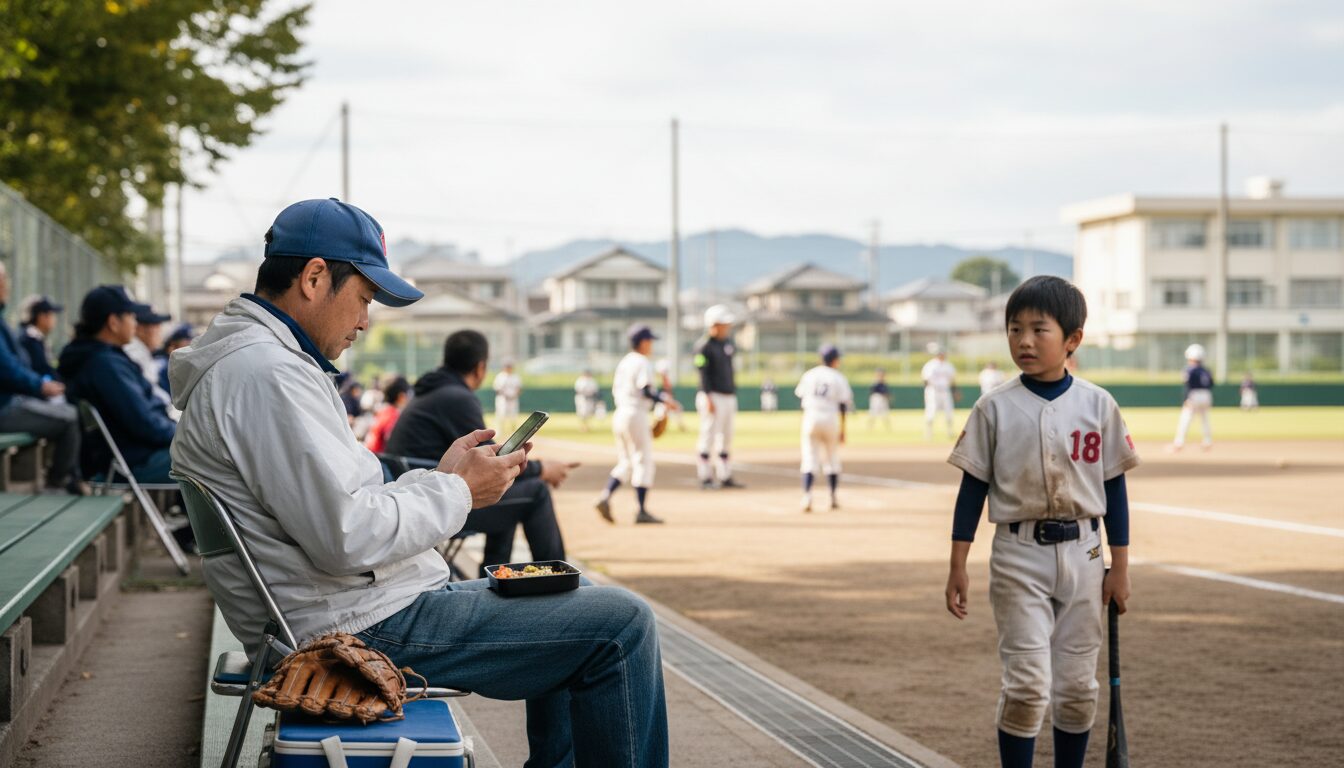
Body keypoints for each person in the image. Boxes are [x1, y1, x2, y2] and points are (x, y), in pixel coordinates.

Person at [169, 198, 667, 766]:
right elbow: (346, 537)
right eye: (363, 298)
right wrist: (460, 492)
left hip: (349, 608)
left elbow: (345, 510)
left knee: (571, 597)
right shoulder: (267, 374)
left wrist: (442, 477)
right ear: (314, 278)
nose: (364, 322)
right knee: (623, 624)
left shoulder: (259, 365)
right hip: (353, 630)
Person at [944, 276, 1139, 768]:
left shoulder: (1098, 404)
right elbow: (971, 491)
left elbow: (1114, 490)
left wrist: (1120, 567)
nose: (1024, 341)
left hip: (1085, 554)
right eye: (1015, 329)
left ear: (1073, 339)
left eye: (1038, 329)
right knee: (1028, 686)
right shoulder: (993, 406)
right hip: (1018, 554)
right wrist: (958, 565)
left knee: (1077, 688)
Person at [385, 330, 571, 572]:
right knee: (536, 492)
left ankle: (494, 576)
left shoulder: (429, 392)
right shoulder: (456, 398)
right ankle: (559, 579)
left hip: (416, 499)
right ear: (480, 367)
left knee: (507, 490)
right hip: (437, 506)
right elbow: (492, 466)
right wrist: (543, 469)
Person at [57, 287, 177, 483]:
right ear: (113, 322)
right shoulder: (105, 365)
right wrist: (183, 434)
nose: (135, 322)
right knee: (215, 458)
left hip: (130, 456)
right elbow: (145, 423)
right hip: (134, 462)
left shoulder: (100, 358)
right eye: (130, 315)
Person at [0, 264, 82, 493]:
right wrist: (40, 385)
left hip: (12, 399)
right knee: (69, 418)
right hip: (5, 405)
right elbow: (7, 368)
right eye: (3, 279)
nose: (6, 285)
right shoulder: (27, 336)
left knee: (69, 412)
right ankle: (57, 484)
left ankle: (65, 480)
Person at [596, 324, 681, 524]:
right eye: (650, 341)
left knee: (626, 461)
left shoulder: (625, 361)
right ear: (642, 342)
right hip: (635, 413)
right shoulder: (642, 362)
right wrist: (665, 400)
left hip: (620, 414)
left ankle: (605, 496)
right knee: (643, 461)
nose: (651, 345)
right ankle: (641, 511)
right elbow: (646, 390)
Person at [796, 345, 853, 512]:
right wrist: (843, 429)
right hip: (830, 418)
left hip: (811, 417)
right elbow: (843, 405)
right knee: (832, 458)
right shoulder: (838, 377)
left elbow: (801, 398)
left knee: (809, 458)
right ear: (834, 360)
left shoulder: (809, 374)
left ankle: (807, 497)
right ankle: (832, 497)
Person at [694, 304, 743, 489]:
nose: (727, 327)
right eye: (724, 324)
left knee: (726, 437)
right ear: (713, 324)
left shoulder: (728, 344)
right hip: (712, 395)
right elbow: (702, 374)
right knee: (708, 435)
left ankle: (725, 475)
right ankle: (705, 476)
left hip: (728, 395)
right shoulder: (703, 347)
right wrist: (707, 397)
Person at [123, 303, 177, 417]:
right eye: (155, 325)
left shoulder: (141, 350)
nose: (160, 330)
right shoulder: (134, 353)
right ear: (139, 329)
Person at [1171, 343, 1214, 451]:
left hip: (1194, 395)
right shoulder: (1206, 370)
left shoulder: (1189, 369)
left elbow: (1188, 385)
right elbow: (1211, 384)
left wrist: (1186, 398)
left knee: (1186, 418)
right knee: (1205, 419)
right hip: (1206, 394)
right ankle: (1207, 441)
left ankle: (1179, 442)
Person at [17, 295, 63, 379]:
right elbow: (42, 370)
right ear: (41, 317)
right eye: (51, 314)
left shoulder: (35, 338)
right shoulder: (30, 341)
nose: (54, 319)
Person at [363, 375, 410, 454]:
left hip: (371, 454)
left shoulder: (382, 411)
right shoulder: (393, 415)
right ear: (401, 396)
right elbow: (391, 441)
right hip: (380, 457)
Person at [921, 343, 957, 440]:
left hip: (945, 390)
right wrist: (926, 393)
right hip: (933, 390)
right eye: (940, 354)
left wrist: (955, 391)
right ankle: (929, 432)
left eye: (943, 353)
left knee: (949, 412)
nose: (942, 355)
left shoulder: (948, 365)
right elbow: (925, 380)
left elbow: (952, 380)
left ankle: (950, 432)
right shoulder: (930, 365)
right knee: (931, 411)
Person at [157, 323, 194, 395]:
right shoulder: (162, 365)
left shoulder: (188, 364)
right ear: (172, 345)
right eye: (186, 342)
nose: (190, 345)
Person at [654, 358, 686, 432]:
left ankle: (680, 426)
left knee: (677, 408)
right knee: (662, 413)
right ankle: (659, 427)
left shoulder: (665, 378)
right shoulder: (661, 378)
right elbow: (666, 390)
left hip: (664, 399)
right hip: (662, 399)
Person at [492, 360, 522, 434]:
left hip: (513, 399)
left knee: (513, 416)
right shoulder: (500, 376)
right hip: (503, 399)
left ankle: (514, 430)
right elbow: (497, 389)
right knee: (501, 415)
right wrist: (505, 395)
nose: (508, 368)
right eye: (507, 367)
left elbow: (519, 388)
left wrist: (514, 395)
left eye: (510, 367)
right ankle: (499, 430)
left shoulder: (516, 377)